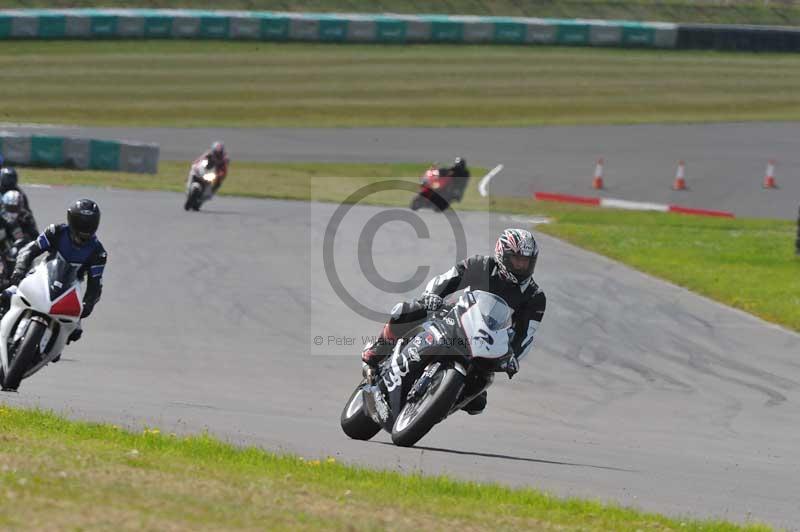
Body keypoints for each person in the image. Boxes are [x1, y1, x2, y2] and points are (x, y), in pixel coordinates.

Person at [361, 228, 546, 415]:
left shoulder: (535, 297)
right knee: (408, 311)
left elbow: (525, 335)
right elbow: (447, 279)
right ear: (502, 254)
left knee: (478, 402)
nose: (522, 266)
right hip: (456, 317)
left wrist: (512, 357)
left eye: (527, 262)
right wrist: (432, 296)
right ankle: (378, 349)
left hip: (486, 342)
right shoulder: (481, 264)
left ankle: (437, 406)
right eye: (517, 260)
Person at [1, 199, 107, 346]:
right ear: (71, 219)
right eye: (81, 222)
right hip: (41, 274)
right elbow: (29, 251)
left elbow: (95, 284)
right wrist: (19, 271)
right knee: (5, 296)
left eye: (89, 223)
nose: (85, 227)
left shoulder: (98, 252)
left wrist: (87, 305)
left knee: (75, 332)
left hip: (70, 288)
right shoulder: (56, 231)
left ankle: (51, 345)